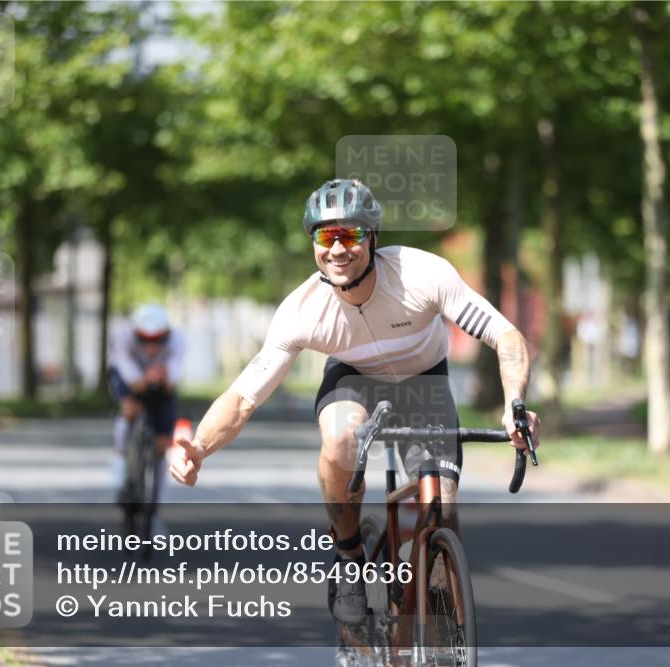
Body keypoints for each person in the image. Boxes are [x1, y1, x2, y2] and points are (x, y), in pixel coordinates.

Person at [170, 179, 539, 625]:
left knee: (441, 507)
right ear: (313, 244)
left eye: (352, 234)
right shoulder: (302, 311)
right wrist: (201, 448)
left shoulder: (423, 275)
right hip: (354, 382)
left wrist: (514, 404)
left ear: (373, 238)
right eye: (326, 236)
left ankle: (435, 606)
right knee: (342, 440)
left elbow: (505, 335)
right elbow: (245, 396)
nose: (338, 249)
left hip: (424, 381)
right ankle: (349, 555)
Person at [109, 304, 185, 511]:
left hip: (161, 379)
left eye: (158, 340)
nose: (151, 346)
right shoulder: (122, 338)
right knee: (129, 411)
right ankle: (121, 474)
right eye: (144, 339)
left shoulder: (177, 340)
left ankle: (157, 502)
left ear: (166, 335)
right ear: (135, 334)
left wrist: (163, 377)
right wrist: (142, 380)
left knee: (162, 444)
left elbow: (173, 379)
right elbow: (128, 374)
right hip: (128, 377)